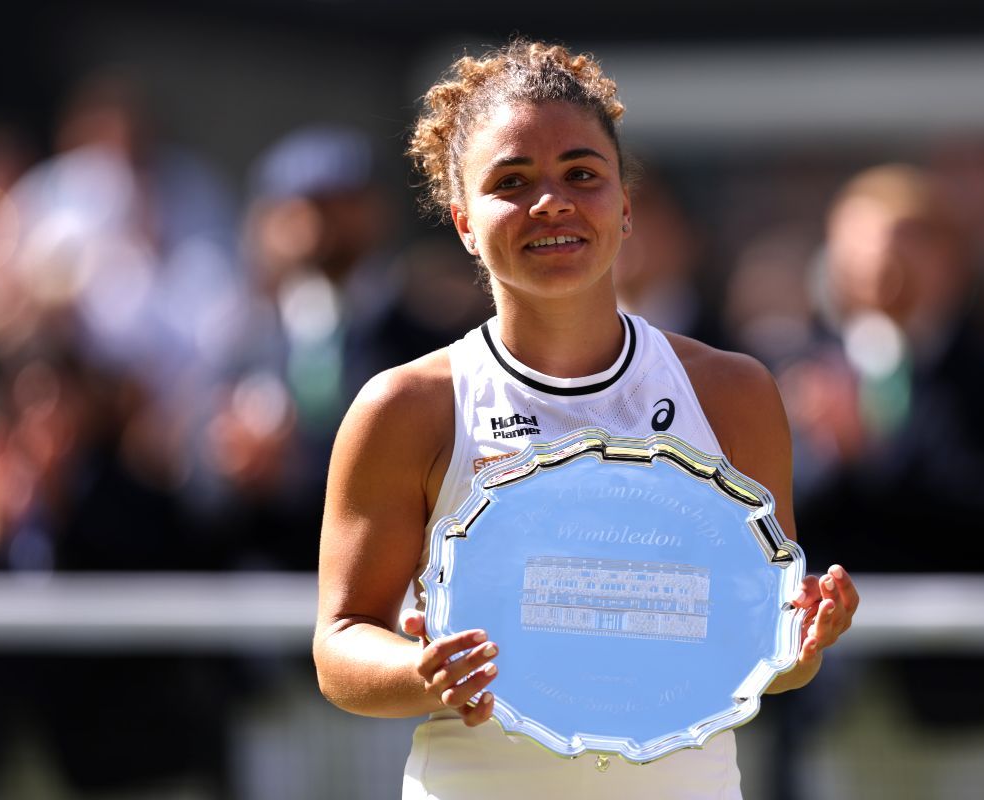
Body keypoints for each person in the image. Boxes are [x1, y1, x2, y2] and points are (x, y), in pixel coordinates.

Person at [312, 39, 858, 799]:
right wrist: (423, 674)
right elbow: (340, 648)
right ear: (464, 220)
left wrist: (804, 639)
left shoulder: (734, 392)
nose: (552, 202)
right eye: (512, 180)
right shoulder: (405, 406)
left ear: (625, 205)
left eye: (581, 174)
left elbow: (769, 653)